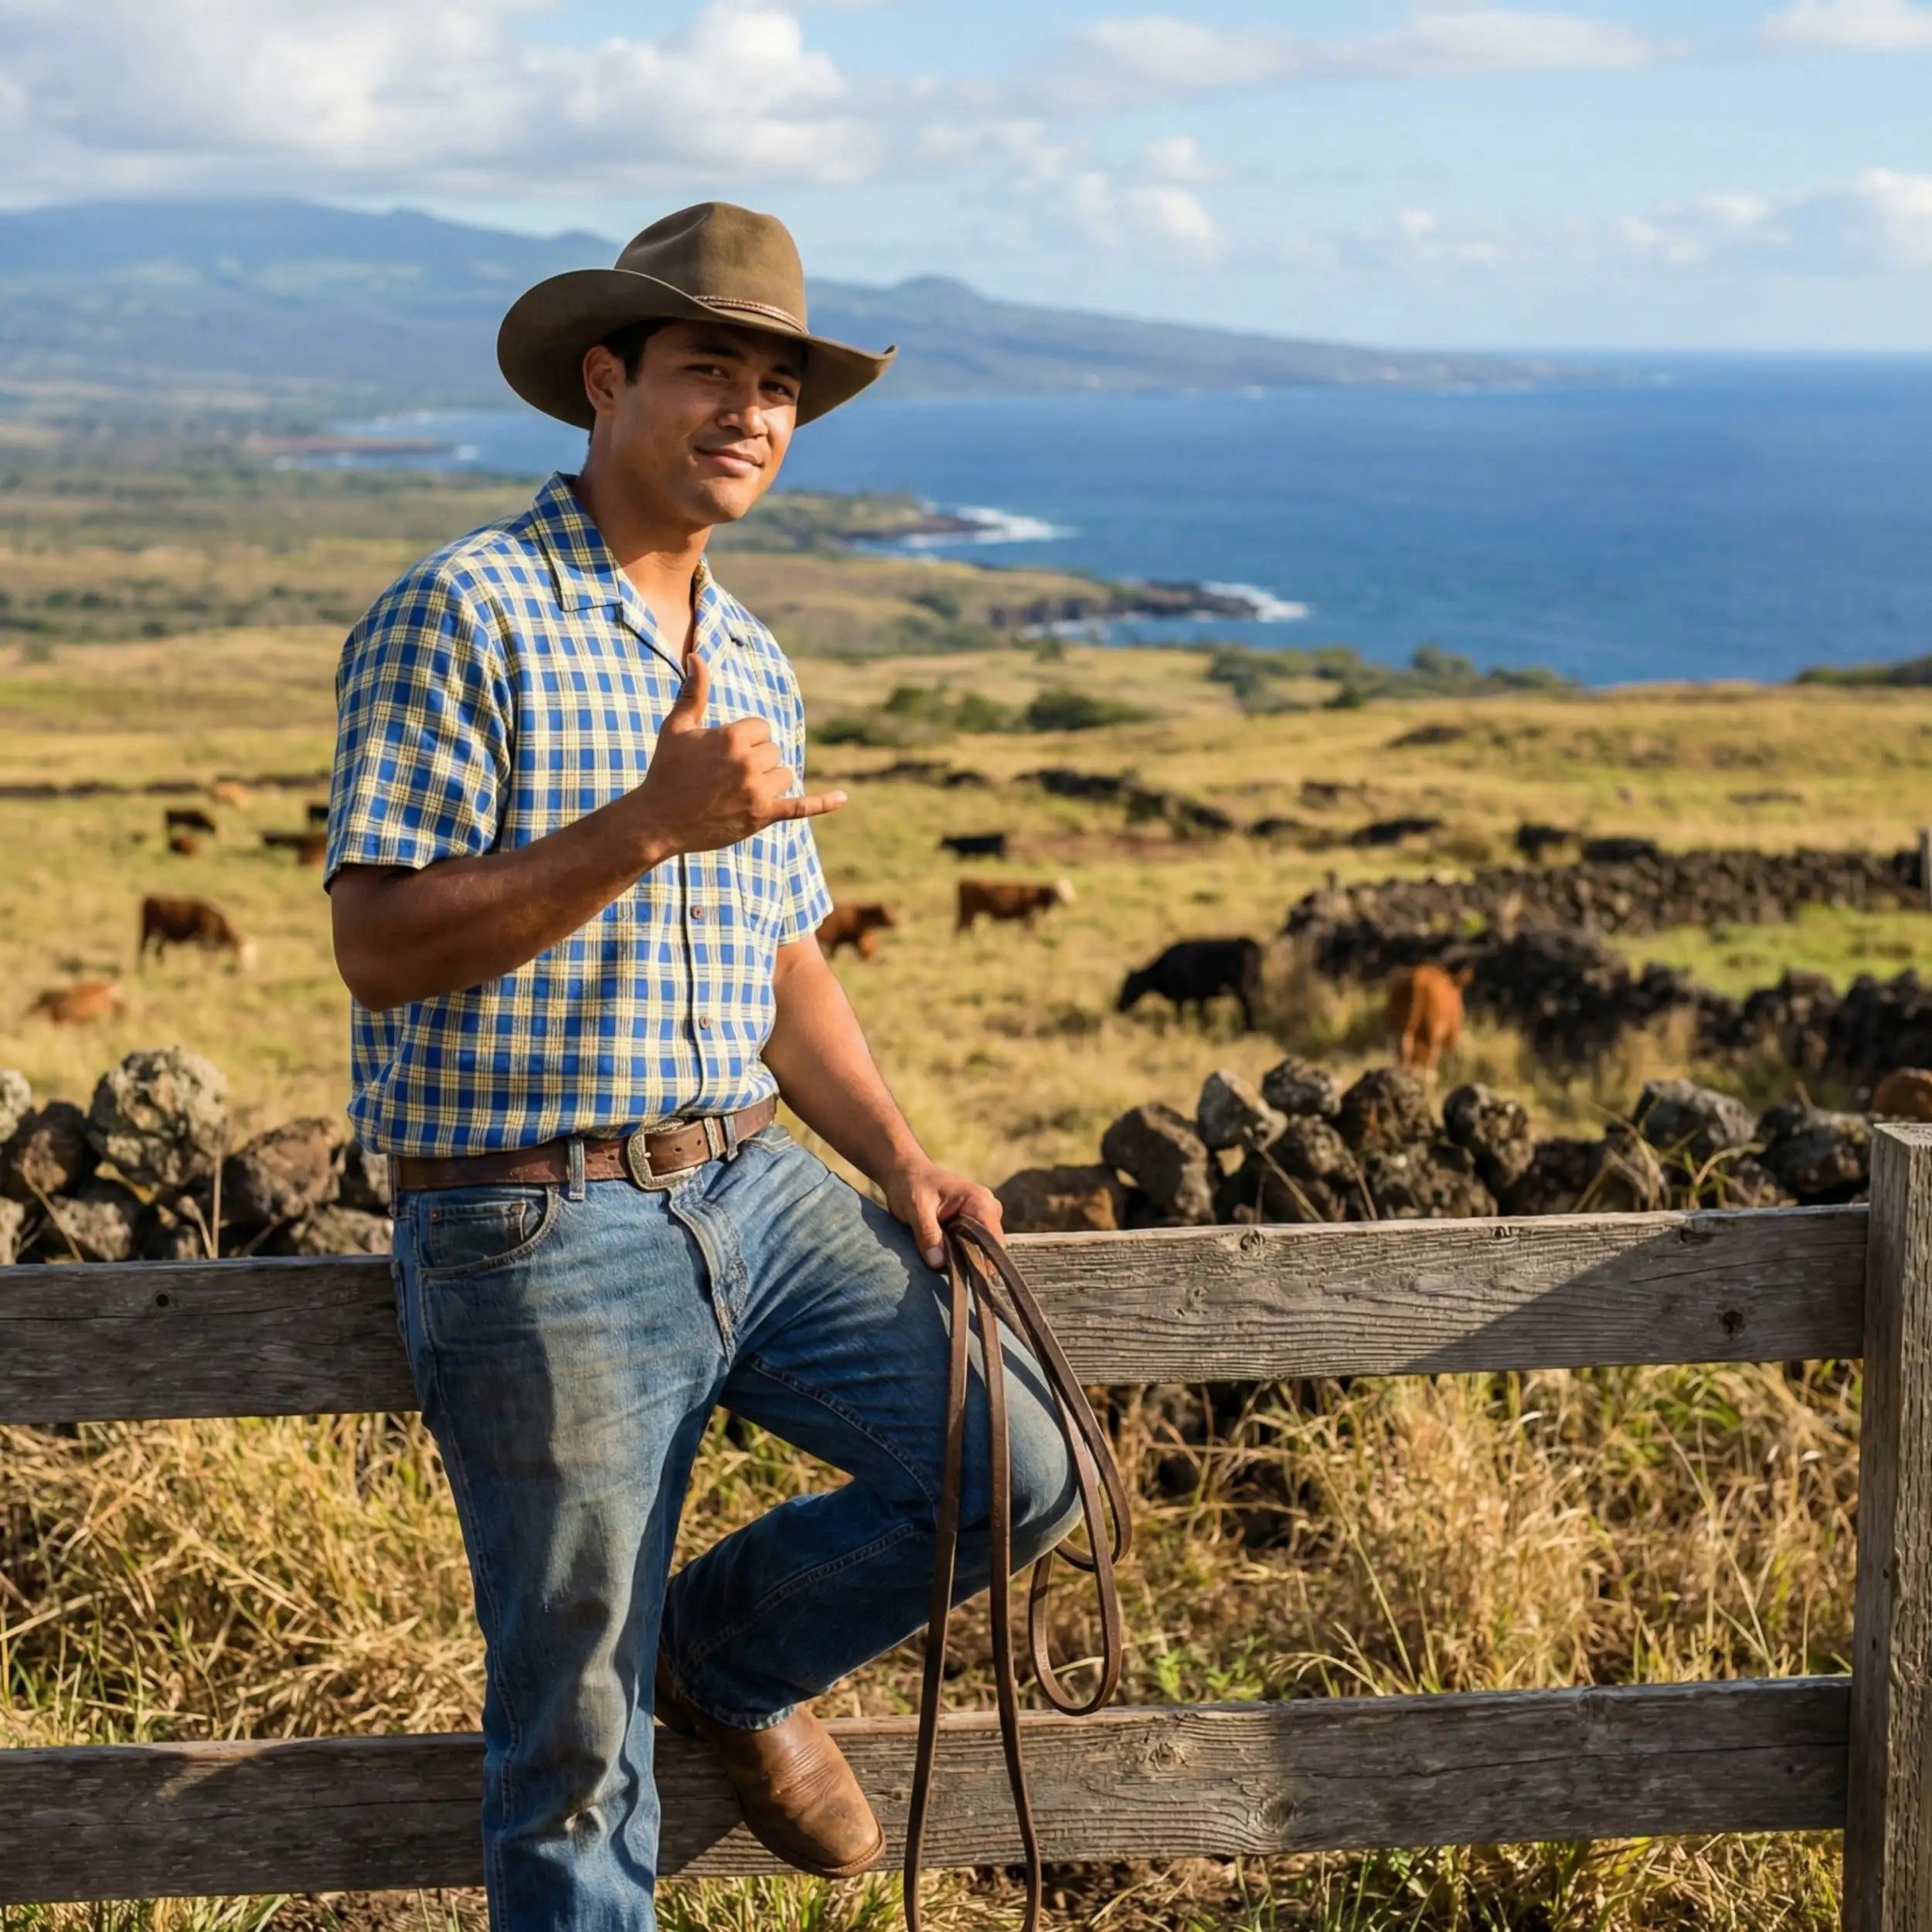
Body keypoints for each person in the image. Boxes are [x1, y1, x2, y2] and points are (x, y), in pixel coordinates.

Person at [324, 202, 1080, 1930]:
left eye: (777, 386)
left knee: (1017, 1472)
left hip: (753, 1180)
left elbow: (781, 948)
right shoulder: (463, 615)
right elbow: (380, 943)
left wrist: (895, 1153)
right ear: (605, 381)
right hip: (535, 1223)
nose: (748, 411)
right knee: (571, 1747)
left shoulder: (749, 658)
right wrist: (645, 825)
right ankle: (656, 1687)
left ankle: (723, 1664)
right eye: (707, 371)